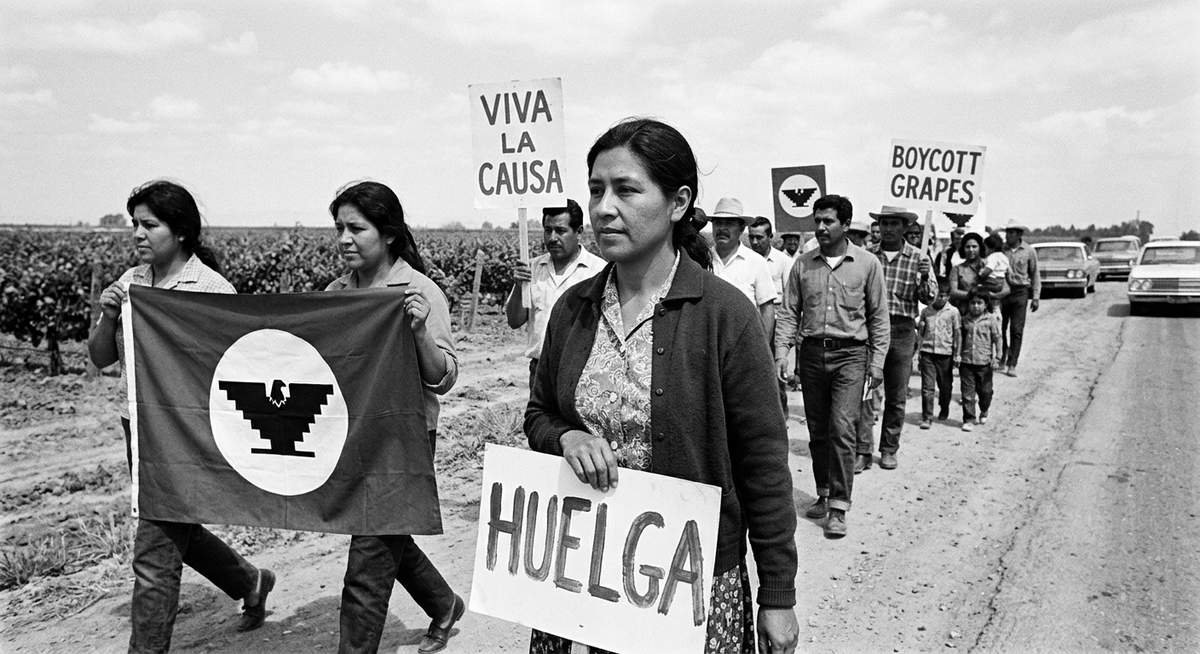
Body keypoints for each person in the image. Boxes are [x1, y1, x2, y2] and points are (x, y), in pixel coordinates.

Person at [526, 118, 799, 654]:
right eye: (597, 189)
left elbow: (763, 463)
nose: (605, 207)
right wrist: (567, 439)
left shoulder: (725, 315)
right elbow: (538, 413)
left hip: (688, 578)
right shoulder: (572, 308)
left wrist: (778, 594)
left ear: (678, 203)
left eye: (626, 189)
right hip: (580, 569)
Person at [88, 180, 275, 653]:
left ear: (182, 232)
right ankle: (250, 581)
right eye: (135, 223)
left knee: (154, 550)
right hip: (142, 429)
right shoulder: (130, 284)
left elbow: (237, 363)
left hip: (189, 433)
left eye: (149, 224)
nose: (138, 234)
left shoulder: (211, 289)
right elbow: (99, 357)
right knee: (174, 528)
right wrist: (109, 317)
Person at [324, 181, 465, 654]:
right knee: (384, 536)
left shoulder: (420, 293)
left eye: (356, 228)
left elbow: (444, 379)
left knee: (368, 558)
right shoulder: (334, 293)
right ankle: (444, 604)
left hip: (404, 438)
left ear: (386, 234)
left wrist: (420, 332)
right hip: (350, 435)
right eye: (339, 227)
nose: (344, 238)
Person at [776, 194, 889, 538]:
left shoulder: (867, 264)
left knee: (843, 429)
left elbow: (878, 317)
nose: (821, 227)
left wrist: (878, 363)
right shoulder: (802, 265)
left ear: (845, 224)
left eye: (829, 221)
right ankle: (823, 492)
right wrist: (782, 353)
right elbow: (789, 312)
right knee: (818, 431)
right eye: (818, 220)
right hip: (811, 355)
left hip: (851, 357)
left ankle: (839, 505)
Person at [864, 206, 937, 471]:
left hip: (903, 330)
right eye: (884, 223)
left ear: (905, 227)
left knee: (896, 395)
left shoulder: (919, 257)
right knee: (864, 392)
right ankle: (863, 449)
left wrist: (926, 275)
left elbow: (929, 299)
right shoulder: (866, 255)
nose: (889, 229)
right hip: (870, 329)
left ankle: (889, 448)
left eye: (895, 223)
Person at [505, 199, 605, 389]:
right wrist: (519, 286)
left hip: (582, 372)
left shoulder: (598, 271)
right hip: (540, 372)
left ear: (579, 232)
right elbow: (514, 320)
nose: (552, 238)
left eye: (560, 231)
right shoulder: (532, 268)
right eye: (547, 230)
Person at [710, 197, 777, 336]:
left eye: (728, 224)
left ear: (741, 228)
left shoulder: (756, 262)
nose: (722, 229)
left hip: (744, 341)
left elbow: (767, 309)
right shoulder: (702, 259)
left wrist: (762, 347)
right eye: (718, 223)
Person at [749, 215, 796, 412]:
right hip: (751, 322)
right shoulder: (747, 260)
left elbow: (790, 297)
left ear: (770, 237)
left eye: (759, 237)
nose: (754, 242)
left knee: (775, 373)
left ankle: (780, 416)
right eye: (751, 237)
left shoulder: (783, 262)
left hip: (775, 322)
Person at [1000, 220, 1041, 377]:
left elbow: (1035, 274)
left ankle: (1012, 363)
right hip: (1002, 291)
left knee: (1016, 329)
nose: (1008, 236)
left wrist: (1036, 296)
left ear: (1019, 234)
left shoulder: (1029, 251)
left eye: (1011, 233)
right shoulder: (1001, 250)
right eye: (1007, 232)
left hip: (1020, 292)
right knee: (999, 328)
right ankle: (1002, 356)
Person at [916, 285, 961, 429]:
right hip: (928, 353)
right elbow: (921, 334)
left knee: (945, 386)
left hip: (945, 354)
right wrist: (919, 353)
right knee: (927, 387)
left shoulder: (953, 312)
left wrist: (957, 354)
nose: (940, 298)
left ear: (948, 296)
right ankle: (927, 416)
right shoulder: (926, 311)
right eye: (938, 295)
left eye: (943, 296)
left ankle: (944, 407)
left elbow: (957, 333)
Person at [959, 290, 1002, 431]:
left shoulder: (990, 320)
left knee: (985, 391)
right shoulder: (964, 320)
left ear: (985, 305)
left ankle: (984, 409)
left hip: (984, 363)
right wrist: (957, 355)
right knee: (967, 394)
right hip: (967, 362)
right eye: (973, 303)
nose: (976, 306)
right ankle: (969, 419)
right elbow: (959, 339)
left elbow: (997, 338)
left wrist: (997, 357)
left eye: (979, 303)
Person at [949, 232, 1008, 314]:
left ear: (981, 248)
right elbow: (953, 292)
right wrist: (975, 296)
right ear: (963, 248)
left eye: (974, 246)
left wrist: (993, 296)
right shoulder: (957, 269)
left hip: (989, 312)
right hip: (965, 312)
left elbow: (1006, 289)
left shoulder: (991, 265)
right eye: (967, 247)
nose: (971, 250)